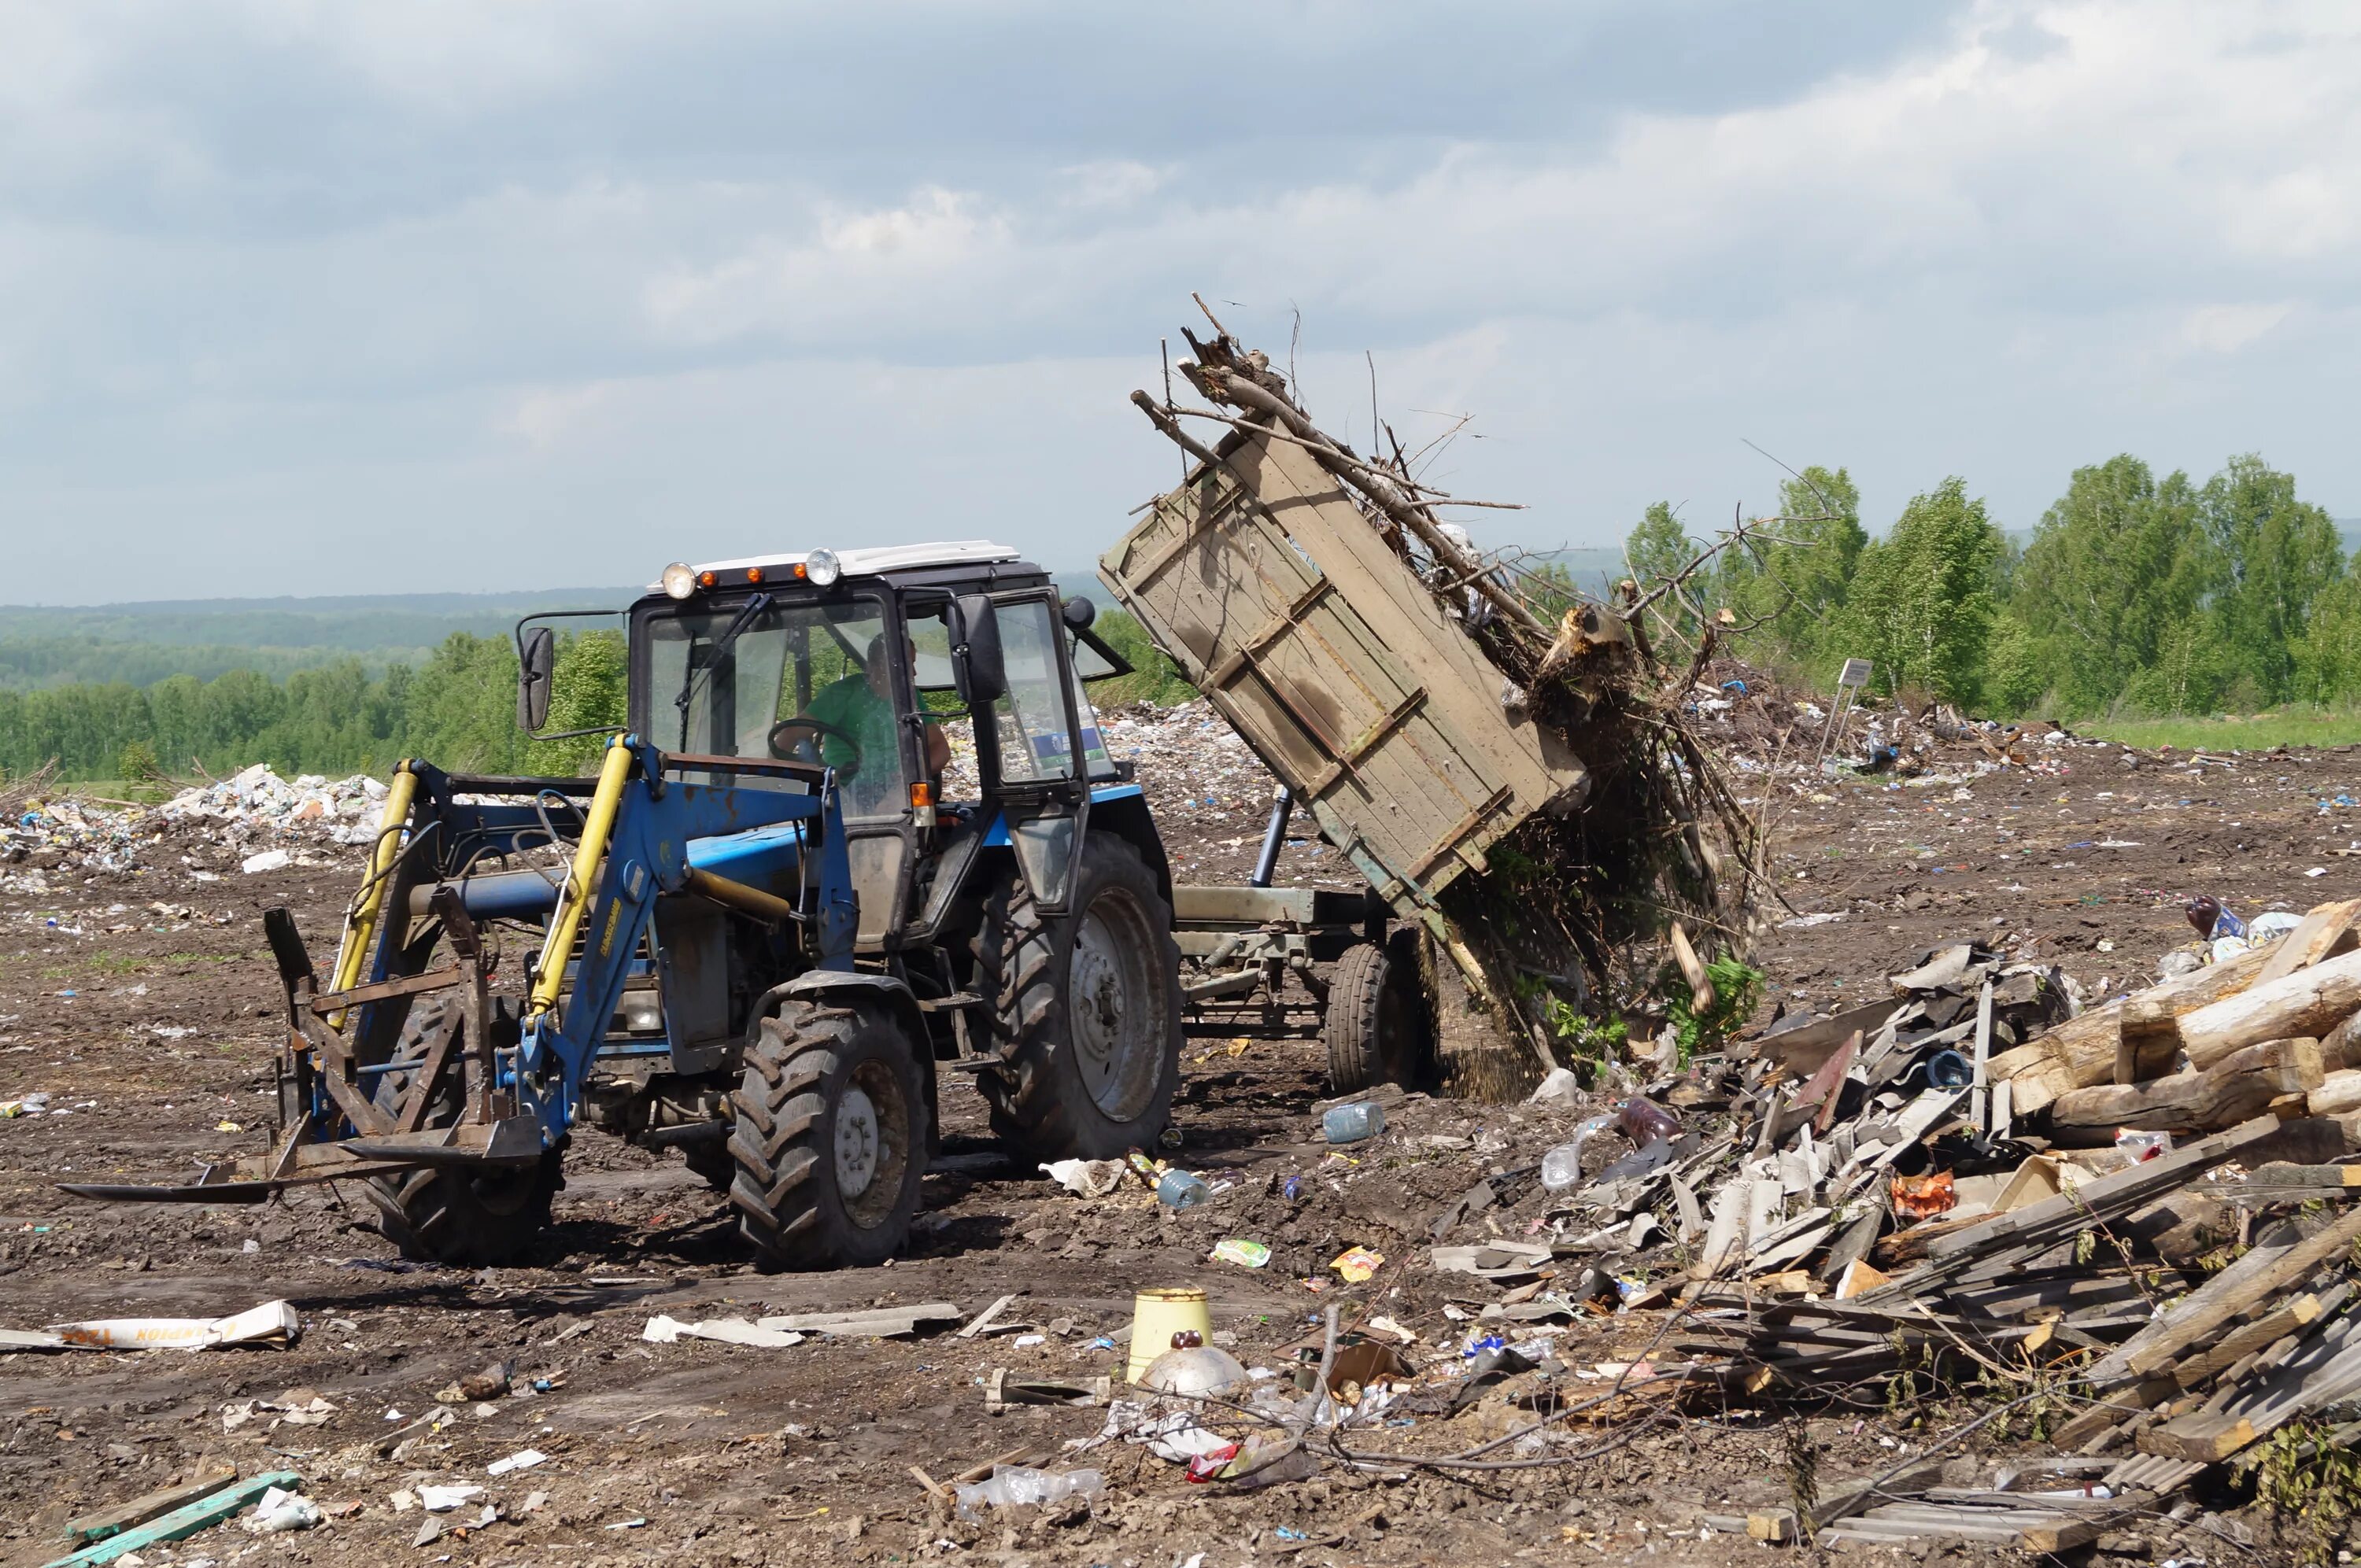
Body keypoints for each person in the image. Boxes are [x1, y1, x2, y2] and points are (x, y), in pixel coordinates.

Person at [792, 636, 949, 810]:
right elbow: (788, 736)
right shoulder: (841, 694)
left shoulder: (909, 695)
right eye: (906, 665)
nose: (914, 673)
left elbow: (939, 748)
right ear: (877, 667)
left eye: (913, 663)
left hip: (898, 783)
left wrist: (910, 775)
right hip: (846, 787)